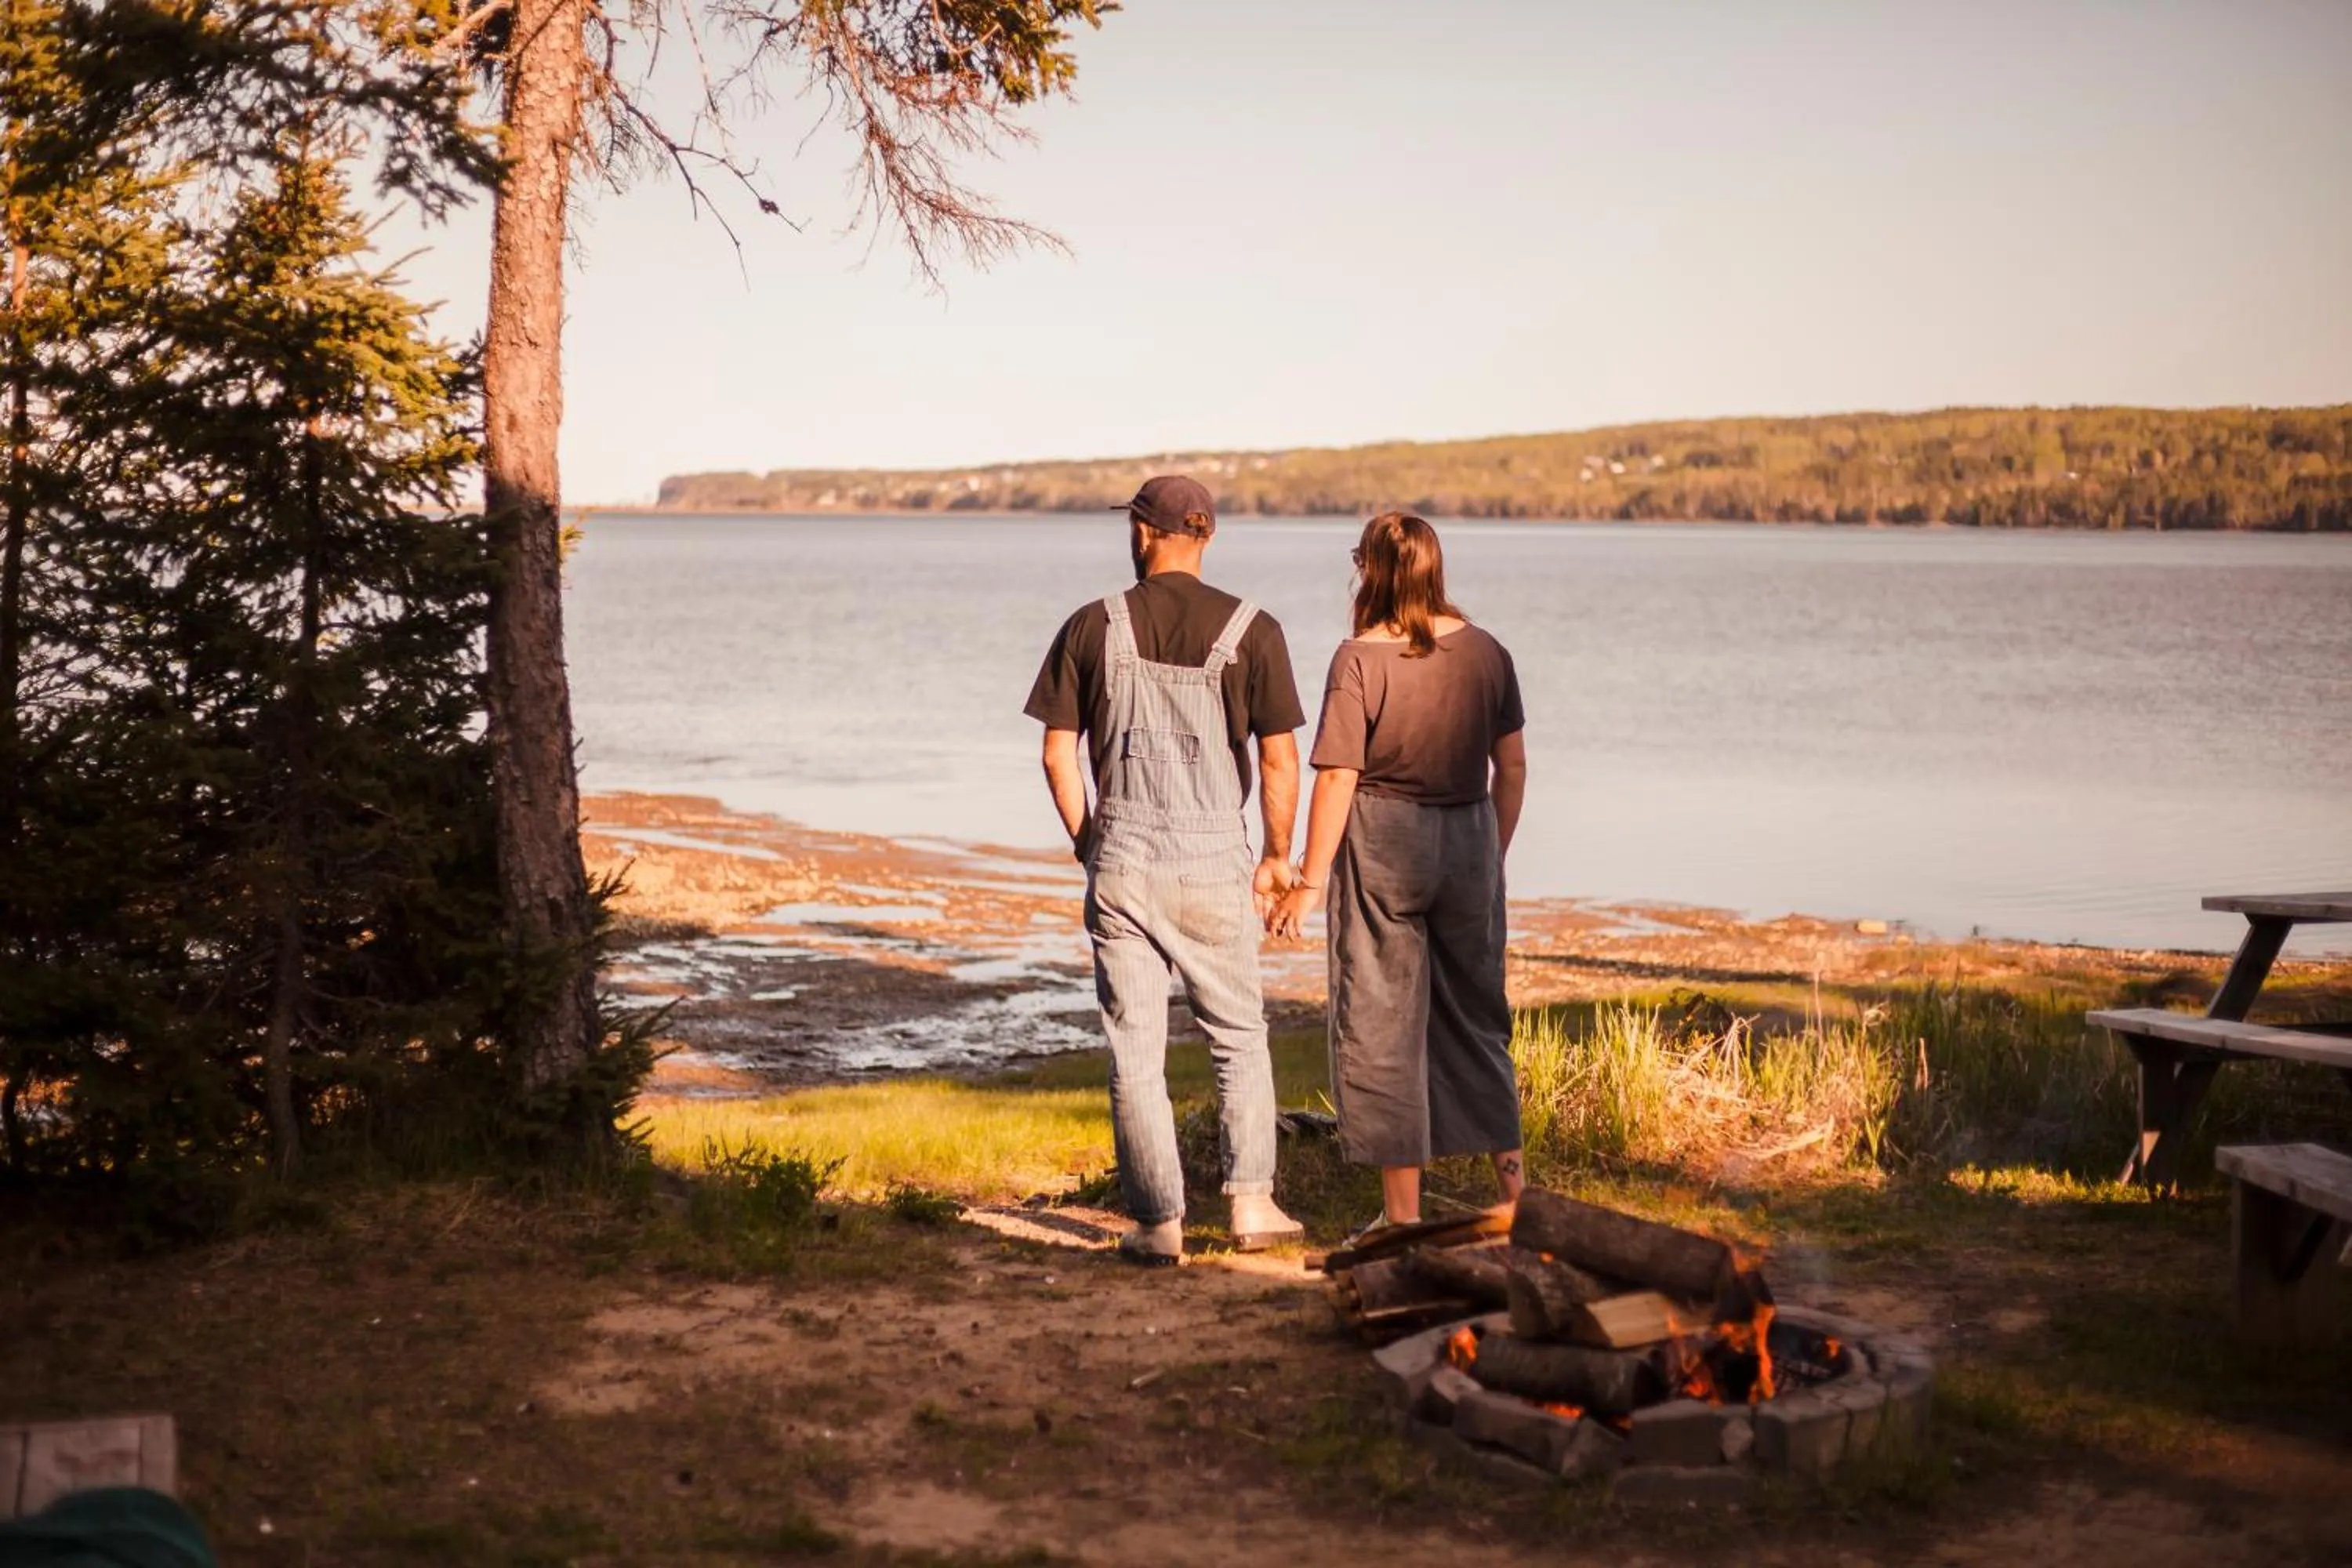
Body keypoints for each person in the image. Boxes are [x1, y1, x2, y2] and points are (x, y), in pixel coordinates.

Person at [1025, 474, 1308, 1265]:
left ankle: (1157, 1223)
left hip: (1123, 858)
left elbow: (1057, 754)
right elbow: (1281, 762)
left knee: (1135, 1048)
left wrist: (1091, 841)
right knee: (1239, 1037)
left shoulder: (1091, 624)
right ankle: (1252, 1201)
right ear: (1206, 536)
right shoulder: (1255, 630)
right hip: (1216, 857)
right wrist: (1278, 856)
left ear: (1144, 533)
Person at [1270, 512, 1528, 1232]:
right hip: (1469, 835)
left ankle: (1403, 1218)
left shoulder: (1358, 657)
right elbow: (1510, 769)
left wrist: (1309, 881)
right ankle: (1515, 1202)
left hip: (1384, 844)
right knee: (1478, 1019)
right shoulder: (1488, 652)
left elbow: (1338, 779)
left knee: (1382, 1024)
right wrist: (1491, 854)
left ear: (1371, 571)